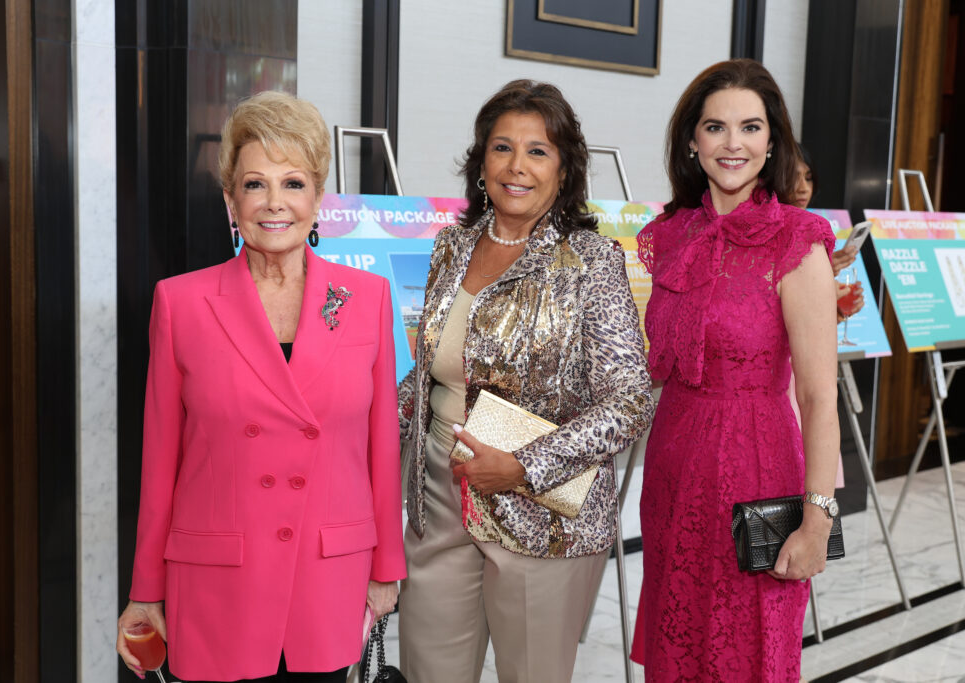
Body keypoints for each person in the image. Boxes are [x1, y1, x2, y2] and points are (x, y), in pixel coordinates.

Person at [116, 91, 405, 682]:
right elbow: (160, 459)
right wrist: (146, 588)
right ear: (231, 199)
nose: (275, 202)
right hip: (218, 578)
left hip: (328, 573)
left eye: (293, 183)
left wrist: (386, 569)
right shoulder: (181, 303)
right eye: (255, 184)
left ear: (318, 198)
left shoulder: (367, 299)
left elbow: (381, 447)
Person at [396, 79, 653, 682]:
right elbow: (433, 373)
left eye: (538, 151)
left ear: (564, 169)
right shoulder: (450, 248)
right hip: (439, 494)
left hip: (544, 515)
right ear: (480, 161)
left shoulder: (591, 261)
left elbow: (631, 402)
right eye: (502, 147)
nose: (517, 166)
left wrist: (523, 467)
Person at [635, 59, 840, 681]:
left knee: (746, 650)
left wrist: (817, 520)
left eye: (750, 127)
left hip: (756, 468)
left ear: (772, 141)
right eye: (715, 127)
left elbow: (818, 396)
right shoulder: (670, 235)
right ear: (692, 142)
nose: (733, 144)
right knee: (677, 646)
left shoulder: (797, 242)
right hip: (672, 470)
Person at [793, 143, 864, 320]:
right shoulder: (764, 236)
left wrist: (836, 315)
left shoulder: (812, 229)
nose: (803, 188)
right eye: (793, 177)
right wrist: (819, 274)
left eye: (808, 178)